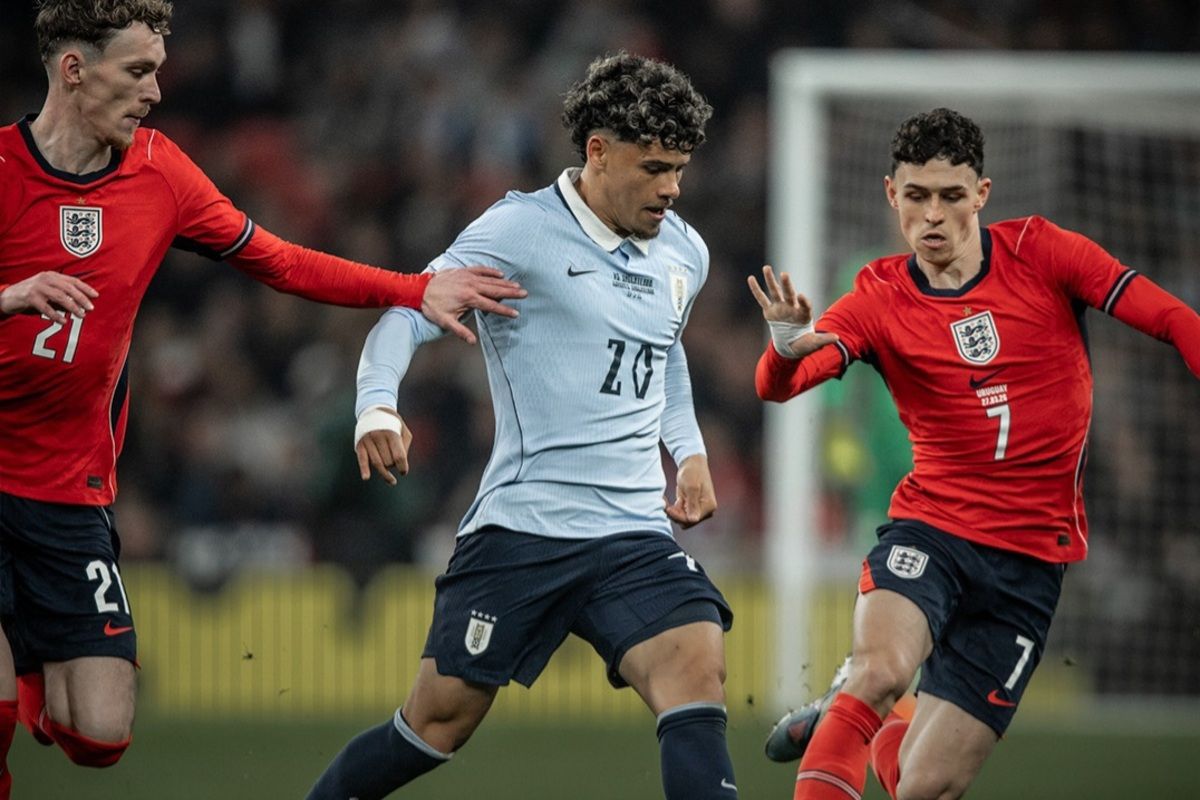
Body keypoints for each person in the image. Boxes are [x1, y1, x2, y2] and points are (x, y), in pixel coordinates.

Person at [0, 1, 525, 795]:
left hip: (69, 496)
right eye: (138, 71)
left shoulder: (159, 173)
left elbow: (279, 260)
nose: (155, 92)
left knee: (98, 735)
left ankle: (34, 662)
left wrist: (416, 290)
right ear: (74, 70)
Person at [306, 52, 738, 800]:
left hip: (633, 533)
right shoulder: (521, 230)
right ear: (598, 151)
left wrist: (689, 452)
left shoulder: (683, 251)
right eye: (655, 167)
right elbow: (414, 307)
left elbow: (662, 350)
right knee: (437, 725)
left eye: (681, 168)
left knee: (695, 666)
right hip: (524, 530)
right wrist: (377, 403)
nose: (672, 188)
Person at [749, 107, 1200, 800]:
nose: (933, 215)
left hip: (1030, 563)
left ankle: (850, 719)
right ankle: (856, 703)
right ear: (890, 195)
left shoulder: (1044, 253)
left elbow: (1171, 319)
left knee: (924, 787)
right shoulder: (878, 297)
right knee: (880, 671)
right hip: (934, 532)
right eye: (917, 196)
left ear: (981, 195)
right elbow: (782, 385)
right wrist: (783, 352)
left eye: (951, 196)